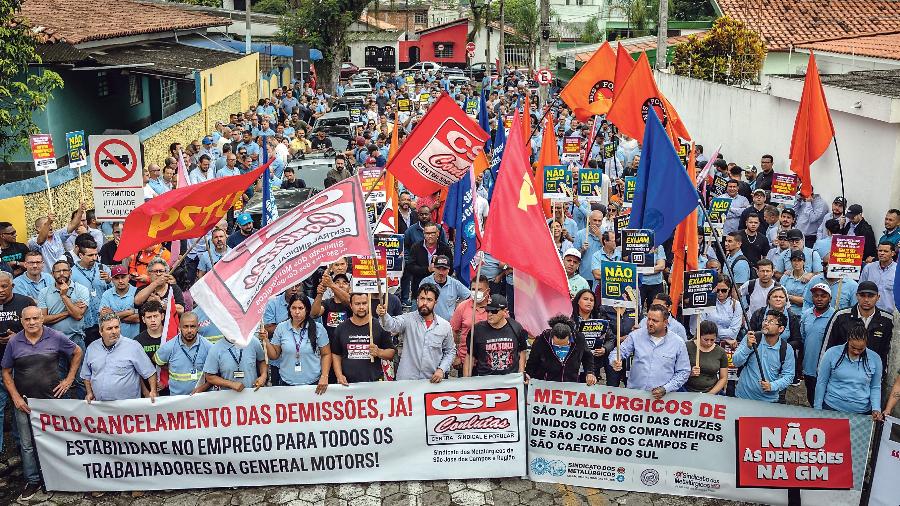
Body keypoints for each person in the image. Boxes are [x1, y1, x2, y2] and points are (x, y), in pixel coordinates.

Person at [2, 306, 82, 502]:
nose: (31, 322)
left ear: (42, 319)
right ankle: (33, 480)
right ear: (21, 321)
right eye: (27, 319)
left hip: (52, 402)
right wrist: (16, 397)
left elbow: (77, 352)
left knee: (58, 439)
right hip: (25, 403)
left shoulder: (56, 336)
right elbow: (5, 372)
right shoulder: (14, 342)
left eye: (35, 318)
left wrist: (69, 379)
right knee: (28, 444)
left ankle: (61, 476)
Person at [377, 283, 455, 382]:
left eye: (429, 300)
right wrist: (384, 315)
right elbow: (391, 325)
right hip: (406, 382)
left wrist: (441, 369)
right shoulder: (407, 319)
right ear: (417, 300)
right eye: (422, 298)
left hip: (431, 382)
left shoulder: (444, 326)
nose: (425, 303)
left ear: (436, 302)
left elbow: (450, 351)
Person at [612, 304, 691, 397]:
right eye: (648, 319)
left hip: (663, 400)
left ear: (665, 322)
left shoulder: (678, 343)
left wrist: (666, 388)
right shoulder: (636, 335)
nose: (650, 323)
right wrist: (615, 360)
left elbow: (683, 372)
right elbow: (619, 351)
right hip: (635, 397)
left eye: (655, 321)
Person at [38, 259, 89, 399]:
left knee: (81, 380)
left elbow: (78, 315)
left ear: (70, 272)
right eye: (58, 271)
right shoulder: (44, 292)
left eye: (65, 270)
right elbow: (42, 319)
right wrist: (69, 312)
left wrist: (64, 296)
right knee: (58, 381)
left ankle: (82, 415)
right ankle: (64, 417)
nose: (61, 273)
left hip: (76, 340)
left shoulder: (82, 290)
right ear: (52, 273)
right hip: (53, 342)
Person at [821, 281, 894, 377]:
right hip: (841, 374)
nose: (866, 299)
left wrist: (881, 377)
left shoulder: (887, 320)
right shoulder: (841, 316)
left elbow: (886, 352)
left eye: (871, 296)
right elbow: (827, 346)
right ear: (856, 296)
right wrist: (822, 373)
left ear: (878, 297)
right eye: (862, 295)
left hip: (870, 376)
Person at [82, 313, 157, 402]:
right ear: (101, 332)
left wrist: (153, 391)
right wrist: (89, 393)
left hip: (127, 409)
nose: (114, 331)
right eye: (109, 328)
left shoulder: (133, 346)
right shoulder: (92, 348)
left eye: (116, 327)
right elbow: (86, 375)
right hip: (101, 409)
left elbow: (150, 372)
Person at [263, 295, 331, 392]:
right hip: (286, 383)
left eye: (301, 308)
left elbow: (326, 354)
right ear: (289, 309)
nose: (297, 312)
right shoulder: (281, 328)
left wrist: (324, 376)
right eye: (293, 308)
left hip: (313, 383)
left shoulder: (317, 328)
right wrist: (266, 340)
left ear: (307, 310)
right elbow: (274, 355)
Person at [815, 325, 883, 420]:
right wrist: (817, 408)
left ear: (866, 343)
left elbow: (875, 386)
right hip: (831, 407)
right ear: (848, 340)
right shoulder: (831, 353)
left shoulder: (875, 358)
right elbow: (822, 382)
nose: (856, 351)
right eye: (853, 347)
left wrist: (876, 409)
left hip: (861, 412)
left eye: (861, 349)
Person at [0, 271, 35, 454]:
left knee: (20, 406)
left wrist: (18, 338)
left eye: (4, 286)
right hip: (1, 364)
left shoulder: (25, 302)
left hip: (22, 365)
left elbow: (39, 329)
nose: (0, 291)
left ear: (12, 286)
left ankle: (22, 446)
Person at [332, 293, 396, 384]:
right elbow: (336, 354)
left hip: (374, 383)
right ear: (351, 306)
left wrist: (379, 352)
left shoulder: (380, 326)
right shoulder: (341, 328)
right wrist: (339, 375)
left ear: (369, 304)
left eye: (364, 303)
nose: (361, 307)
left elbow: (391, 353)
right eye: (357, 304)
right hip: (348, 383)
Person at [733, 310, 795, 403]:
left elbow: (789, 376)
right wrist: (748, 347)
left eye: (771, 322)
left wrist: (772, 386)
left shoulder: (786, 349)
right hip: (743, 396)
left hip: (768, 401)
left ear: (781, 329)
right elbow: (736, 362)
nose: (766, 323)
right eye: (765, 320)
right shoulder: (752, 338)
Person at [464, 295, 528, 377]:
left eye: (494, 311)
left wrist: (521, 374)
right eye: (488, 311)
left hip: (510, 382)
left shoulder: (516, 328)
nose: (489, 314)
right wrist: (466, 381)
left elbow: (522, 351)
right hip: (485, 381)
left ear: (504, 311)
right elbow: (470, 356)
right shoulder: (477, 330)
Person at [153, 312, 212, 396]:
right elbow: (156, 360)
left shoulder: (208, 346)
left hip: (201, 399)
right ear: (179, 327)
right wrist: (170, 367)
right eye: (185, 326)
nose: (189, 330)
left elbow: (215, 373)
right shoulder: (169, 346)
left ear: (198, 327)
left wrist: (203, 388)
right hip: (177, 401)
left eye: (192, 326)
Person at [526, 315, 596, 384]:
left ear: (570, 335)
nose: (560, 346)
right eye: (557, 344)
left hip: (571, 384)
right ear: (552, 335)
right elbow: (532, 361)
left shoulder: (579, 339)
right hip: (546, 385)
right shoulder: (541, 340)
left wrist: (590, 372)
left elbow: (588, 357)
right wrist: (529, 375)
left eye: (564, 345)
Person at [70, 237, 111, 346]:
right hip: (85, 322)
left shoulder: (103, 269)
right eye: (90, 255)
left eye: (95, 254)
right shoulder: (72, 273)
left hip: (104, 319)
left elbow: (113, 291)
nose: (94, 258)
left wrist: (109, 280)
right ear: (81, 255)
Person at [799, 283, 836, 405]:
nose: (819, 299)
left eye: (823, 296)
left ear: (830, 298)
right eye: (816, 296)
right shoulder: (806, 315)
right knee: (811, 397)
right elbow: (802, 340)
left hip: (827, 369)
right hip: (809, 368)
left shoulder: (836, 316)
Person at [201, 327, 268, 392]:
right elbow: (209, 377)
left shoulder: (253, 341)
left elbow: (262, 361)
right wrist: (231, 384)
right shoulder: (216, 348)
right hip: (229, 399)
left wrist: (263, 376)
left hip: (252, 394)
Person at [451, 275, 490, 371]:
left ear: (487, 291)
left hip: (489, 363)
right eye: (473, 289)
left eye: (479, 290)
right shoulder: (462, 306)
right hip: (465, 361)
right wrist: (456, 356)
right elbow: (453, 331)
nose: (476, 292)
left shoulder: (496, 307)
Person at [29, 205, 83, 273]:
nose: (50, 227)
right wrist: (48, 222)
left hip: (64, 273)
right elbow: (41, 240)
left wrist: (80, 211)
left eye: (51, 224)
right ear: (38, 229)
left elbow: (73, 225)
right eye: (46, 225)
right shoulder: (32, 241)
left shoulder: (58, 235)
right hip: (48, 277)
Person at [407, 223, 453, 296]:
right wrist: (427, 269)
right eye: (427, 233)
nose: (430, 236)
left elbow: (451, 269)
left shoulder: (445, 248)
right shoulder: (416, 247)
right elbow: (410, 267)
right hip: (419, 290)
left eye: (433, 233)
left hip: (440, 291)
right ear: (423, 234)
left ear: (438, 233)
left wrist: (440, 270)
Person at [419, 255, 469, 321]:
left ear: (448, 270)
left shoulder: (455, 283)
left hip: (448, 325)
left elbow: (469, 296)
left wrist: (459, 306)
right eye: (438, 268)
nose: (441, 272)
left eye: (444, 269)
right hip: (428, 324)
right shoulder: (425, 282)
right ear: (434, 268)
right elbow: (420, 301)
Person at [685, 320, 729, 394]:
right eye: (706, 339)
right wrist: (689, 373)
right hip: (687, 391)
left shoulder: (720, 352)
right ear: (698, 336)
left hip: (712, 391)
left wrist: (710, 394)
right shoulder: (687, 347)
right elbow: (676, 370)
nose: (709, 343)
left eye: (712, 340)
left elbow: (723, 378)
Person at [98, 265, 140, 339]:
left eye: (123, 277)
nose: (120, 281)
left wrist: (112, 314)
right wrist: (128, 312)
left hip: (134, 339)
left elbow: (138, 318)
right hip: (113, 339)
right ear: (112, 279)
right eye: (116, 278)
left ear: (128, 277)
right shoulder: (107, 294)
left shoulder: (137, 292)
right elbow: (104, 317)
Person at [859, 241, 897, 312]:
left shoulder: (898, 270)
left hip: (891, 314)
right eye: (880, 251)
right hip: (870, 313)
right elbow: (860, 289)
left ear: (893, 253)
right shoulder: (868, 268)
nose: (882, 253)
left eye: (885, 251)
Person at [704, 276, 743, 344]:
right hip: (708, 343)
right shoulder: (706, 303)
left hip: (728, 345)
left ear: (729, 289)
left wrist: (710, 333)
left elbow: (733, 332)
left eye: (724, 290)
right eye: (717, 290)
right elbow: (702, 328)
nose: (720, 293)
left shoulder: (736, 305)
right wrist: (725, 338)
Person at [572, 211, 606, 282]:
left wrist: (600, 237)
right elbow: (574, 256)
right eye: (594, 220)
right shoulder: (580, 234)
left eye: (599, 221)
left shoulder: (606, 234)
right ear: (589, 220)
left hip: (601, 275)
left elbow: (609, 252)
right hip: (585, 275)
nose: (597, 223)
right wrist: (582, 250)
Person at [782, 250, 810, 316]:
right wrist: (797, 299)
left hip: (801, 314)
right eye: (794, 260)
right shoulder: (785, 276)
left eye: (799, 260)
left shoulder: (809, 279)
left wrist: (788, 296)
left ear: (804, 262)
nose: (797, 263)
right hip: (785, 313)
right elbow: (780, 295)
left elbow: (805, 301)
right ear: (791, 262)